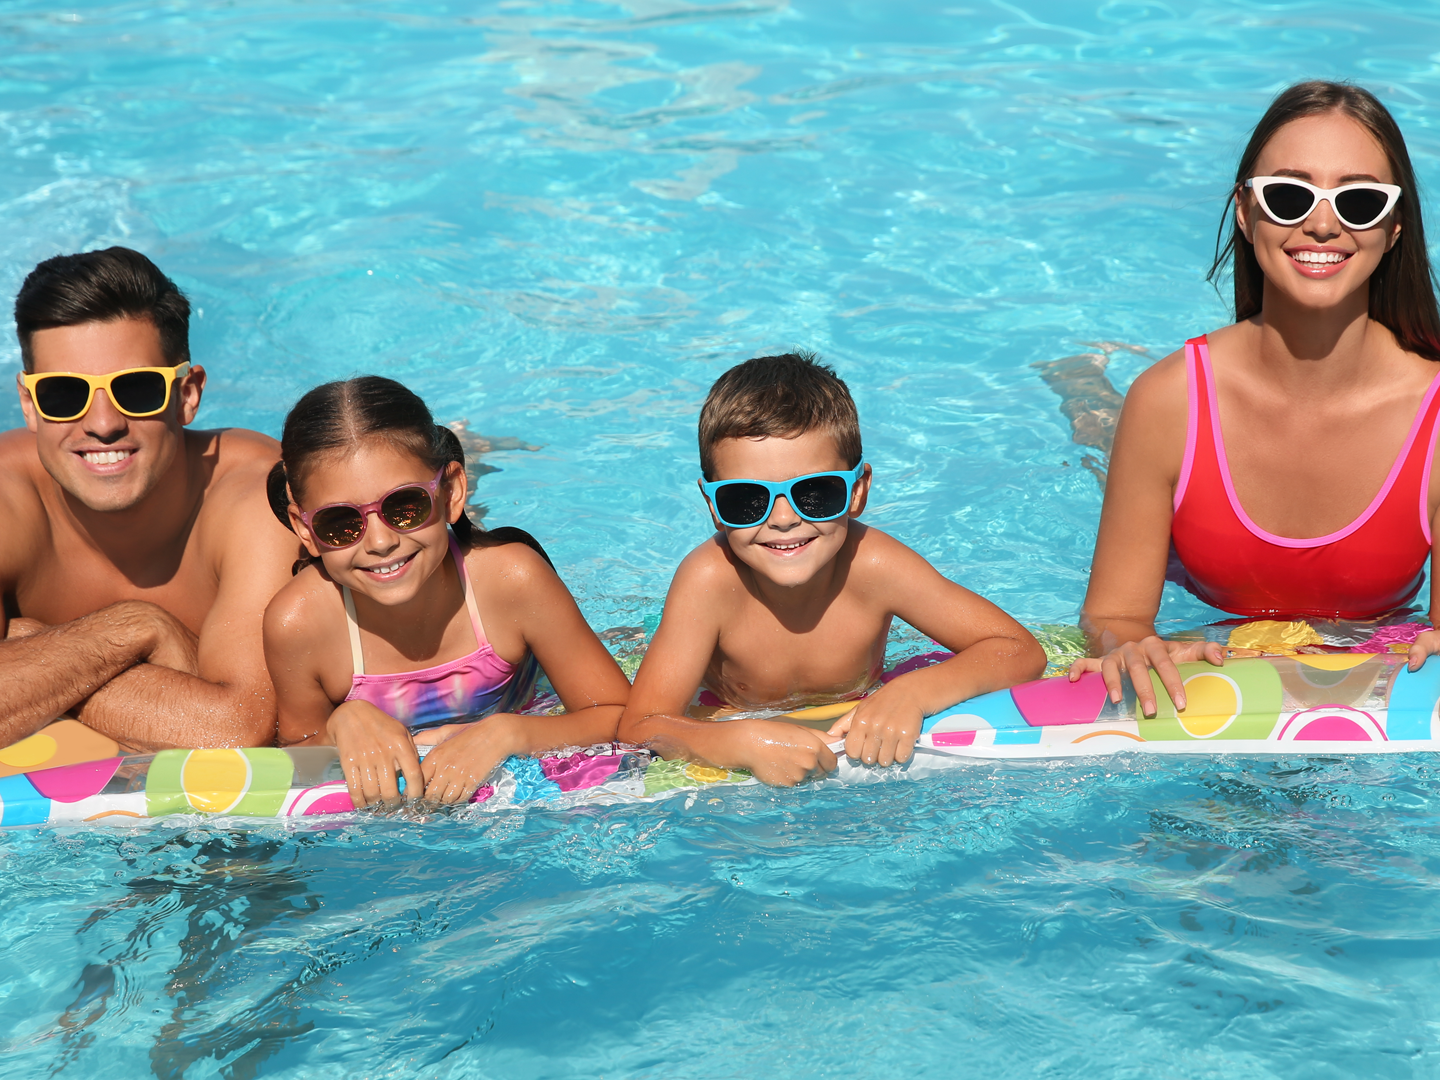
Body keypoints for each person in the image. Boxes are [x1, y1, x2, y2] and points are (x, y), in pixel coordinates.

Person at [1073, 81, 1440, 716]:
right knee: (1096, 434)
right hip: (1204, 594)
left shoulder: (1432, 416)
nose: (1323, 224)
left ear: (1394, 227)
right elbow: (1114, 614)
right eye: (1290, 195)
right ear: (1245, 212)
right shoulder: (1168, 403)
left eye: (1358, 202)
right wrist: (1133, 644)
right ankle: (1080, 382)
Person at [616, 352, 1047, 786]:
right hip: (724, 706)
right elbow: (640, 726)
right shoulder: (708, 582)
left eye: (815, 493)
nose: (782, 518)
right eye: (745, 499)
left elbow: (1017, 649)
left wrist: (912, 693)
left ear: (857, 491)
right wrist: (736, 741)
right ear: (712, 505)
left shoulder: (876, 566)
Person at [263, 376, 630, 807]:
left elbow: (625, 719)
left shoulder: (512, 581)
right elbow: (294, 758)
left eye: (405, 506)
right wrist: (341, 723)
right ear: (305, 530)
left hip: (528, 706)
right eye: (341, 523)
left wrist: (510, 732)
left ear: (453, 491)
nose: (379, 542)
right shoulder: (298, 624)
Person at [0, 247, 299, 752]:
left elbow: (240, 730)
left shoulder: (261, 497)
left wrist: (32, 646)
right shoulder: (7, 500)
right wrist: (137, 628)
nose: (102, 424)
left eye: (136, 390)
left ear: (187, 394)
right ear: (30, 405)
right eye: (62, 394)